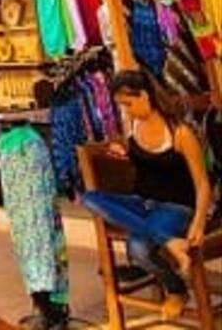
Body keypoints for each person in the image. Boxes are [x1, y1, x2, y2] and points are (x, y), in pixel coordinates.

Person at [80, 70, 212, 318]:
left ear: (145, 95)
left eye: (129, 104)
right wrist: (124, 152)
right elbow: (144, 163)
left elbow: (203, 184)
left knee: (138, 247)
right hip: (141, 203)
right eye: (122, 106)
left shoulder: (180, 133)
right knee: (89, 198)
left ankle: (176, 290)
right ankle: (168, 241)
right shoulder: (133, 126)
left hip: (176, 207)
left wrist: (199, 223)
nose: (126, 111)